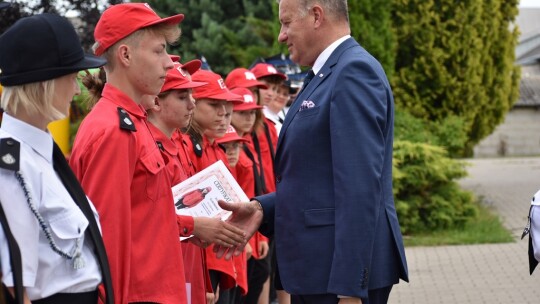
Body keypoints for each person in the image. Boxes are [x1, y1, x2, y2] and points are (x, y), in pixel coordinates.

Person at [217, 0, 409, 303]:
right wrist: (261, 209)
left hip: (336, 279)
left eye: (287, 22)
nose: (281, 35)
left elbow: (359, 188)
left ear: (316, 16)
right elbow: (317, 181)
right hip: (319, 271)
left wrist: (349, 290)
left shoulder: (353, 72)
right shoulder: (325, 74)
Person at [68, 3, 199, 303]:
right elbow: (107, 247)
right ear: (125, 55)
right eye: (159, 51)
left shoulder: (131, 123)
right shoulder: (114, 130)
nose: (168, 63)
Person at [0, 13, 113, 303]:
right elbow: (18, 285)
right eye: (72, 77)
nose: (77, 89)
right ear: (44, 83)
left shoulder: (42, 154)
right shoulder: (12, 164)